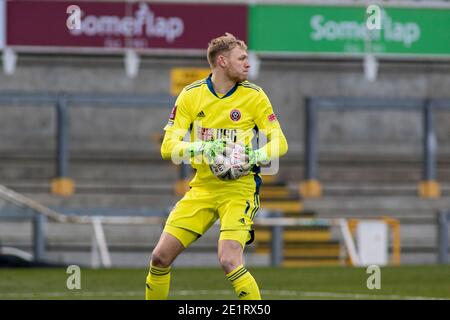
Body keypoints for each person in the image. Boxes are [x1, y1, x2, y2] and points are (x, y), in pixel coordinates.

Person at [145, 33, 288, 300]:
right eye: (242, 58)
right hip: (203, 188)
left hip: (239, 189)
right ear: (222, 61)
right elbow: (168, 146)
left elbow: (280, 142)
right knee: (160, 257)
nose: (248, 64)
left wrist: (253, 156)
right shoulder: (190, 96)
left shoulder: (254, 96)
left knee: (229, 260)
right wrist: (202, 148)